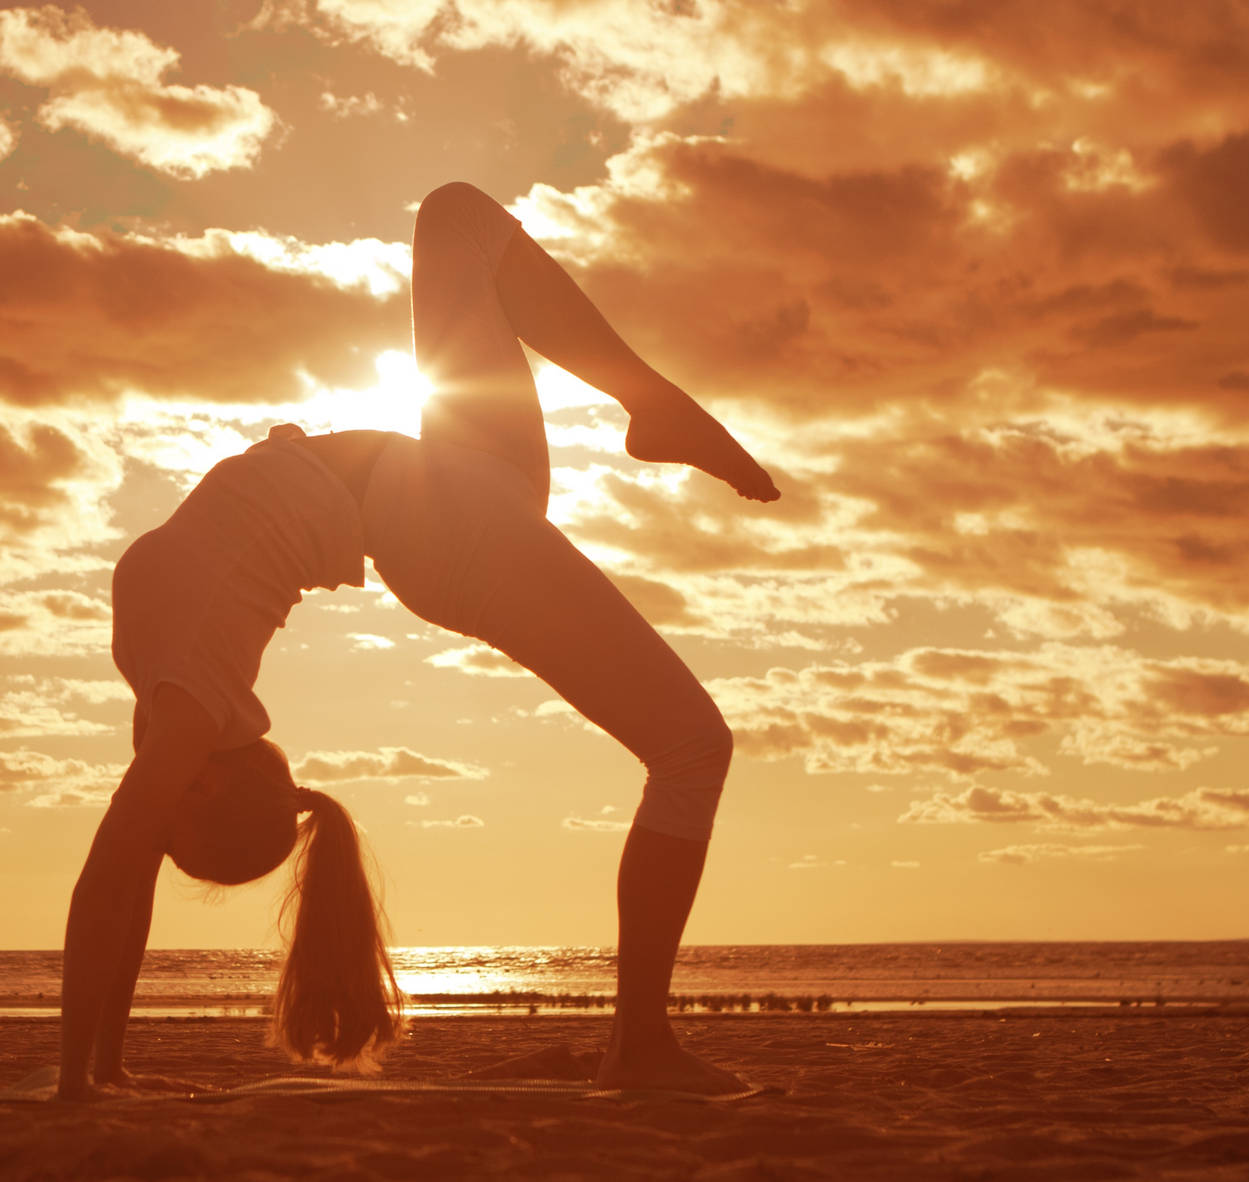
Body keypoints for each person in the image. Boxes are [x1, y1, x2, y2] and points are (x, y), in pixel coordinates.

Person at [57, 181, 778, 1100]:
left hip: (441, 484)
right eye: (170, 827)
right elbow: (114, 877)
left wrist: (100, 1069)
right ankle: (637, 1045)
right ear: (199, 791)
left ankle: (649, 402)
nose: (147, 821)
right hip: (442, 524)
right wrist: (81, 1083)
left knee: (459, 220)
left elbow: (121, 883)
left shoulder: (171, 699)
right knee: (692, 746)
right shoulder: (190, 708)